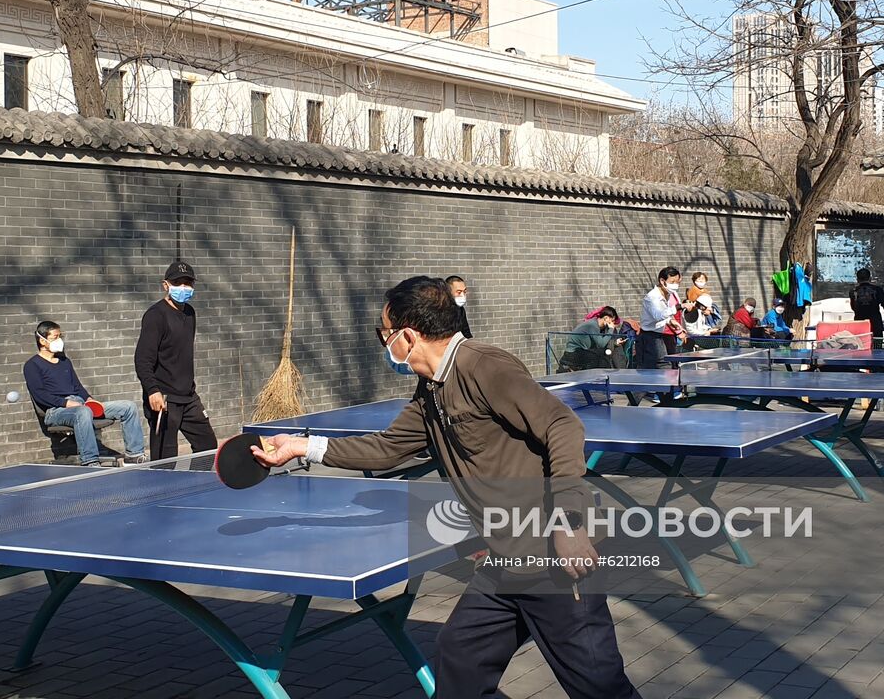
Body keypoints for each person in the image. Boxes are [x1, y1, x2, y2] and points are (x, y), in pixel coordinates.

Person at [255, 277, 640, 699]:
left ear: (408, 335)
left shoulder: (484, 366)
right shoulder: (433, 388)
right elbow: (387, 448)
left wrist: (568, 521)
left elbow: (563, 425)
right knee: (459, 663)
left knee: (600, 687)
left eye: (384, 334)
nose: (384, 344)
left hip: (551, 561)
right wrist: (300, 447)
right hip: (504, 561)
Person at [24, 321, 148, 465]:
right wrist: (66, 403)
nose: (59, 340)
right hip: (56, 410)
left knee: (128, 407)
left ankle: (134, 454)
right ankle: (90, 461)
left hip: (80, 404)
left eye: (60, 336)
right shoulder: (32, 365)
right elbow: (40, 395)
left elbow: (77, 387)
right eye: (55, 337)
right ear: (42, 340)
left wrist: (89, 400)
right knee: (82, 412)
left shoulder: (65, 361)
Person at [134, 259, 217, 459]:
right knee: (165, 459)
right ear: (166, 285)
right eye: (178, 283)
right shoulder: (156, 316)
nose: (183, 287)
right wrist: (152, 391)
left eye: (187, 283)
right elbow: (142, 359)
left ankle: (198, 483)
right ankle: (161, 489)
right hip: (163, 399)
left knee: (208, 446)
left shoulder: (190, 313)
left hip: (189, 397)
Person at [638, 266, 689, 368]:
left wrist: (670, 321)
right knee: (662, 364)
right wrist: (679, 306)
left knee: (670, 362)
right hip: (650, 337)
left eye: (677, 282)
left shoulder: (668, 294)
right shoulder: (652, 297)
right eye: (672, 282)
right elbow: (658, 315)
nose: (675, 285)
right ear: (662, 281)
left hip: (661, 335)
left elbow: (663, 313)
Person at [558, 306, 628, 371]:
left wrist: (615, 342)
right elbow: (601, 344)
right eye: (612, 321)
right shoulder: (592, 326)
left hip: (579, 352)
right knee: (601, 359)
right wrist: (611, 329)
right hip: (574, 353)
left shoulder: (595, 325)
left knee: (601, 355)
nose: (612, 323)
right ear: (606, 318)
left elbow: (599, 342)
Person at [850, 268, 884, 342]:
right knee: (877, 349)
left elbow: (853, 307)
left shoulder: (853, 291)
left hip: (860, 324)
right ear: (870, 278)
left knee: (861, 347)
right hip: (875, 323)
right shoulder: (878, 289)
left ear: (857, 279)